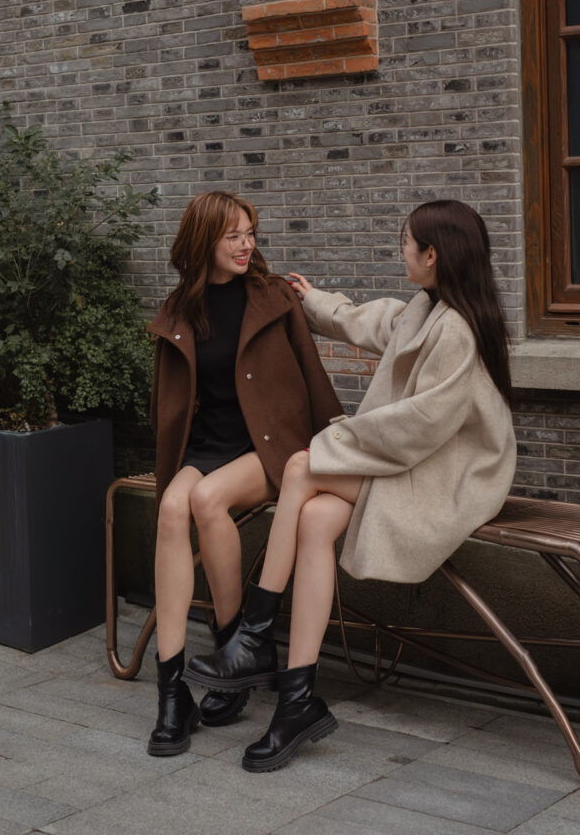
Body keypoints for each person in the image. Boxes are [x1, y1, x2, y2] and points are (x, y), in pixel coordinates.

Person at [184, 199, 517, 772]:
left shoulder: (457, 331)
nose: (400, 251)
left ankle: (255, 636)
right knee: (315, 518)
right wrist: (312, 298)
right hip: (412, 462)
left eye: (406, 243)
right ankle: (296, 699)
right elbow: (371, 321)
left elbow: (417, 427)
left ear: (432, 256)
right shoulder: (428, 308)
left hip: (450, 478)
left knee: (299, 467)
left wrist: (333, 440)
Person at [146, 191, 341, 756]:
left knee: (207, 500)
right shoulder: (181, 308)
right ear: (203, 240)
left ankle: (237, 655)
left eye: (250, 233)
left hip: (270, 444)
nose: (245, 245)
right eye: (233, 235)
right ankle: (172, 692)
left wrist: (333, 445)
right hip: (210, 446)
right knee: (171, 509)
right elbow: (169, 400)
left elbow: (311, 370)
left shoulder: (273, 295)